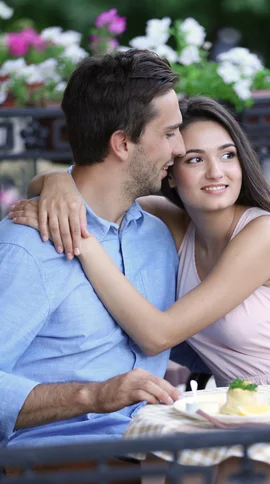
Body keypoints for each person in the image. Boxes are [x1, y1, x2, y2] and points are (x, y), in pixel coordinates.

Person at [10, 95, 270, 388]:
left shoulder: (266, 234)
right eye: (194, 160)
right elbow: (97, 194)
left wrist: (83, 242)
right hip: (245, 414)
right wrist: (56, 182)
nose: (216, 172)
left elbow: (157, 335)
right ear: (170, 174)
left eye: (227, 155)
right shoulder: (173, 225)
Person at [0, 49, 188, 449]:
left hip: (153, 443)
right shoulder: (28, 245)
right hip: (67, 467)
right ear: (122, 143)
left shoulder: (157, 237)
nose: (181, 148)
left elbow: (191, 341)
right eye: (170, 133)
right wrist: (92, 395)